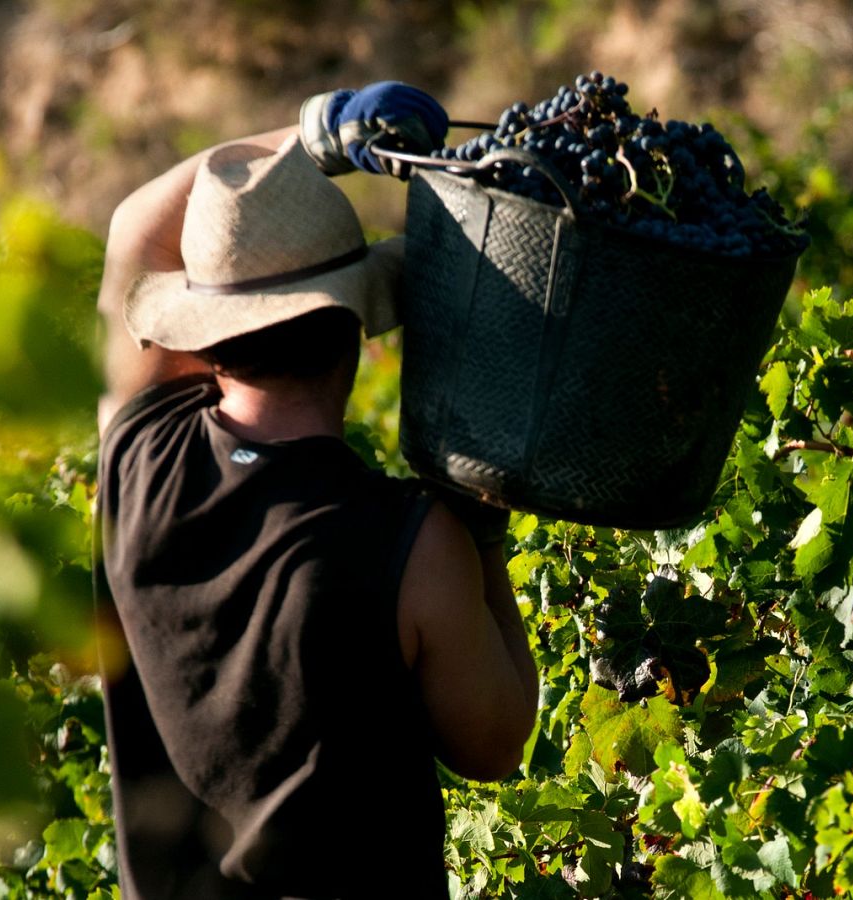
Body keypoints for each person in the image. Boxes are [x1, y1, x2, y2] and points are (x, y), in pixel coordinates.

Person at [92, 83, 538, 899]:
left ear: (205, 338)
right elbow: (496, 743)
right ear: (356, 333)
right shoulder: (414, 543)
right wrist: (485, 542)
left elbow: (134, 229)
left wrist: (312, 133)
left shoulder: (138, 456)